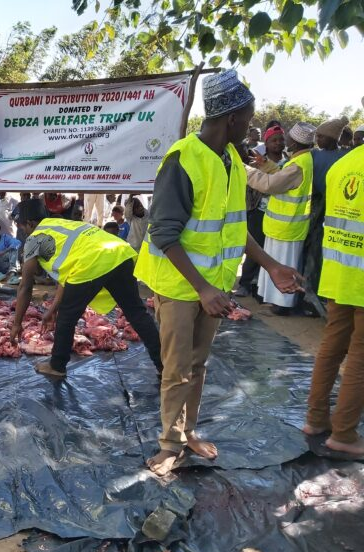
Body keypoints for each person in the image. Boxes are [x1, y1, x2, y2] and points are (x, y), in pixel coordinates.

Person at [134, 70, 302, 476]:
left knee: (198, 364)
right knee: (177, 368)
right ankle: (169, 444)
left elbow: (235, 228)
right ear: (231, 118)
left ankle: (187, 431)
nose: (251, 126)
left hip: (213, 287)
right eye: (248, 118)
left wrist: (272, 265)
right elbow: (164, 232)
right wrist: (202, 288)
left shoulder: (230, 162)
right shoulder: (183, 160)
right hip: (180, 285)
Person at [11, 198, 163, 377]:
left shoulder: (34, 238)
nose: (23, 232)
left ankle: (57, 366)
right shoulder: (63, 224)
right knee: (137, 313)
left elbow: (25, 287)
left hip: (92, 263)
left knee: (66, 318)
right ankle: (165, 366)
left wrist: (17, 324)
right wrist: (52, 309)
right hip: (120, 253)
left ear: (30, 223)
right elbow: (66, 278)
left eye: (22, 227)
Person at [303, 143, 364, 455]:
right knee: (360, 358)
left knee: (332, 347)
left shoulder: (343, 164)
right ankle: (344, 434)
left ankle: (316, 419)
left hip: (337, 273)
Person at [255, 122, 314, 315]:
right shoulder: (301, 160)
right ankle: (275, 302)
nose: (284, 141)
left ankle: (282, 305)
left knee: (283, 266)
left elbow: (270, 185)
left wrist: (244, 171)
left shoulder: (298, 164)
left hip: (287, 226)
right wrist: (266, 165)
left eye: (287, 138)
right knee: (276, 263)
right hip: (283, 226)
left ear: (294, 143)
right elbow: (282, 176)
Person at [233, 125, 286, 298]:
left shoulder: (289, 162)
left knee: (273, 250)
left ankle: (263, 286)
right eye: (273, 140)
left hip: (281, 215)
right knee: (255, 247)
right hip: (259, 210)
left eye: (281, 140)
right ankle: (245, 283)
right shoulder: (257, 162)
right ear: (267, 143)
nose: (278, 143)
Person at [304, 116, 350, 294]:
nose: (317, 140)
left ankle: (316, 287)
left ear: (332, 138)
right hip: (313, 204)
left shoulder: (344, 157)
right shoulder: (313, 154)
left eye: (321, 136)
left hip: (333, 206)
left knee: (320, 248)